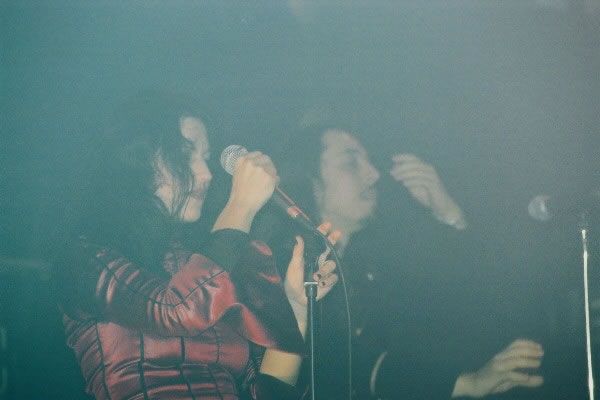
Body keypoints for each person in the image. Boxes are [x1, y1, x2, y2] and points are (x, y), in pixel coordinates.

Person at [53, 94, 340, 400]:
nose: (206, 174)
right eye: (186, 155)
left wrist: (296, 307)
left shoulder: (206, 263)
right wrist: (241, 205)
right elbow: (175, 310)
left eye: (205, 157)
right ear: (137, 158)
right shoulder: (87, 257)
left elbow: (270, 392)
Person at [254, 124, 544, 399]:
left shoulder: (374, 261)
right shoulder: (285, 260)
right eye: (351, 163)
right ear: (310, 180)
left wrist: (448, 213)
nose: (373, 175)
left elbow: (466, 300)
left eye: (369, 162)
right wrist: (469, 383)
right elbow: (343, 358)